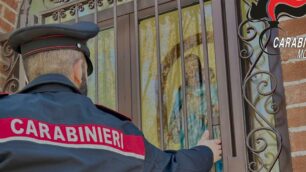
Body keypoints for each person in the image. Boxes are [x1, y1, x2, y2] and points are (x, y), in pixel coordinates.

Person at [0, 22, 222, 172]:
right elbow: (170, 167)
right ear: (78, 71)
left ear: (29, 75)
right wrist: (206, 152)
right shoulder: (120, 133)